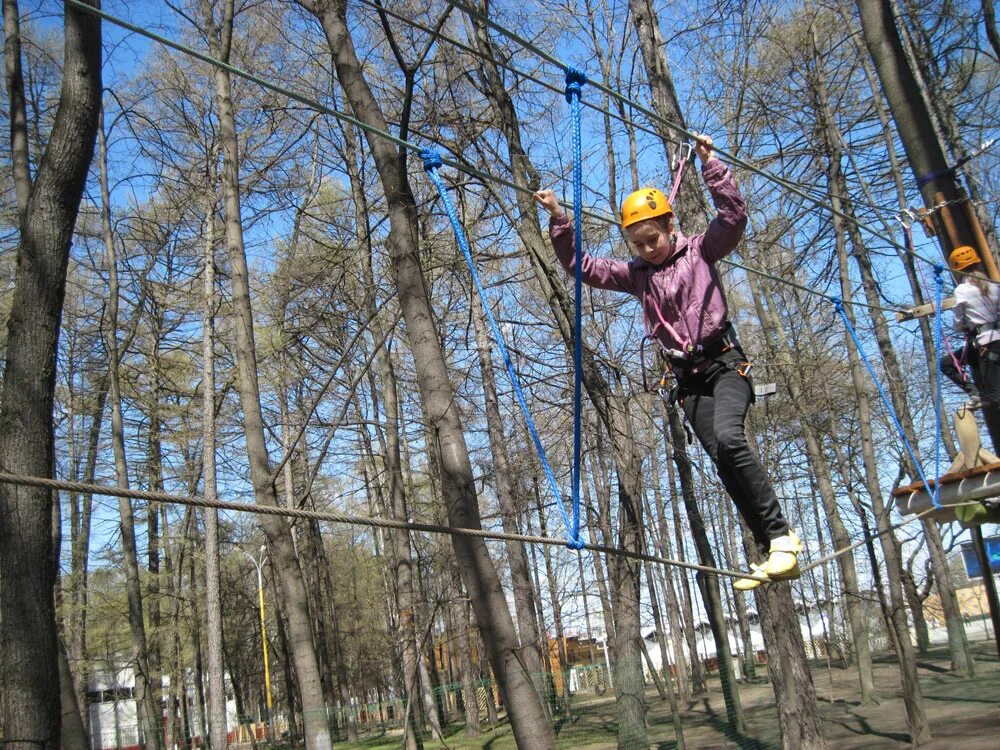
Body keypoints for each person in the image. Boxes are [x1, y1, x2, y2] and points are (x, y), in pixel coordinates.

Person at [533, 134, 799, 590]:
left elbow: (733, 218)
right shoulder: (637, 275)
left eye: (652, 238)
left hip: (725, 364)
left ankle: (782, 537)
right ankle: (772, 549)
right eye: (637, 244)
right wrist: (560, 218)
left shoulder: (700, 250)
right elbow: (582, 266)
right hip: (687, 381)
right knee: (721, 460)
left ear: (669, 225)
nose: (647, 249)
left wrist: (711, 165)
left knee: (731, 441)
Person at [940, 245, 1000, 453]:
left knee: (995, 395)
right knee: (949, 362)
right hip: (992, 341)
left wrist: (967, 324)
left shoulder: (962, 290)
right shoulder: (993, 285)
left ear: (957, 270)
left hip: (985, 344)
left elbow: (958, 322)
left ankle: (976, 393)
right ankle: (977, 394)